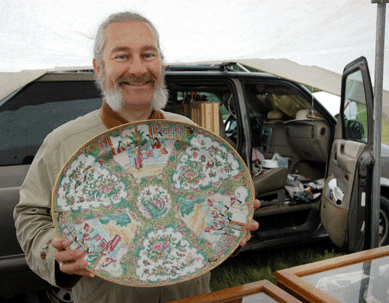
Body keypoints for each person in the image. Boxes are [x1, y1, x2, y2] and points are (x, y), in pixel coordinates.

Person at [13, 11, 260, 303]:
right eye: (122, 56)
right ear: (98, 68)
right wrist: (56, 255)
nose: (138, 69)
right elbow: (30, 216)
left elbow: (217, 208)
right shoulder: (63, 144)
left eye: (148, 55)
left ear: (161, 64)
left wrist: (231, 233)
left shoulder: (193, 137)